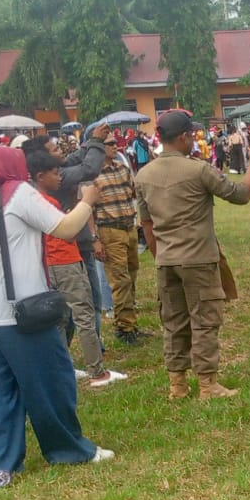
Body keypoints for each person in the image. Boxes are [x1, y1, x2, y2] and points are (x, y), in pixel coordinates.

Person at [0, 146, 112, 486]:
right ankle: (68, 449)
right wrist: (88, 199)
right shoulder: (16, 191)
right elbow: (66, 228)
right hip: (19, 314)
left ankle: (2, 466)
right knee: (52, 381)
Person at [135, 109, 250, 399]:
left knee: (174, 322)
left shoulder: (143, 175)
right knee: (205, 320)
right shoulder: (198, 169)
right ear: (182, 137)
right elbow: (241, 195)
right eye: (191, 135)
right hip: (198, 259)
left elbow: (146, 224)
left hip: (166, 260)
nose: (193, 140)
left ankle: (177, 385)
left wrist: (160, 255)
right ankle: (207, 384)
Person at [29, 150, 124, 389]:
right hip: (65, 262)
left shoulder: (32, 200)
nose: (59, 177)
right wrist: (86, 203)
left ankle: (63, 369)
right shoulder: (46, 202)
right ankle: (97, 371)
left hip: (49, 264)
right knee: (84, 315)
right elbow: (66, 229)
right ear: (40, 176)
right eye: (53, 173)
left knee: (60, 319)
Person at [93, 133, 147, 345]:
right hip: (109, 230)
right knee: (120, 279)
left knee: (131, 275)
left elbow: (133, 196)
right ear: (99, 147)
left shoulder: (123, 168)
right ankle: (125, 328)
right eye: (110, 144)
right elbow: (88, 209)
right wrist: (94, 239)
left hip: (129, 227)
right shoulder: (92, 175)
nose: (115, 146)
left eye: (116, 142)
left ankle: (130, 323)